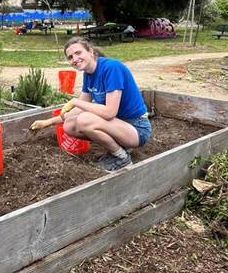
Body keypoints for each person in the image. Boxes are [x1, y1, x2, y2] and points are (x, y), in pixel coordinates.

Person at [30, 37, 151, 172]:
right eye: (70, 57)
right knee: (69, 125)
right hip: (118, 126)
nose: (74, 59)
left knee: (85, 119)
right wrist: (47, 122)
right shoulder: (89, 74)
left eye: (78, 53)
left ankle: (122, 158)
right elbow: (76, 110)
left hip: (137, 128)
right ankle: (117, 150)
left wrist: (76, 101)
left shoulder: (111, 68)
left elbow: (109, 112)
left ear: (91, 52)